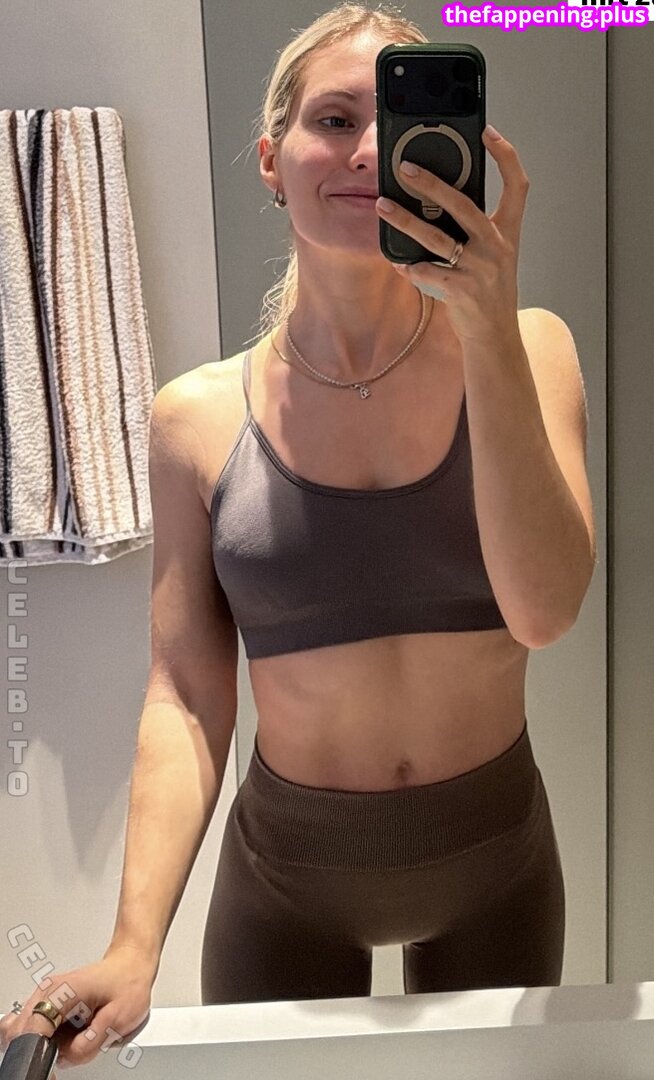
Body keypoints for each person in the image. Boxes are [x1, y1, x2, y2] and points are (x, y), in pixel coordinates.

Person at [0, 1, 597, 1069]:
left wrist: (485, 326)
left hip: (495, 865)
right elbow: (186, 694)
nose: (368, 152)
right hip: (287, 882)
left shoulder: (531, 348)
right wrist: (134, 946)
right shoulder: (195, 419)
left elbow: (546, 611)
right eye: (333, 120)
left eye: (399, 123)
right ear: (273, 162)